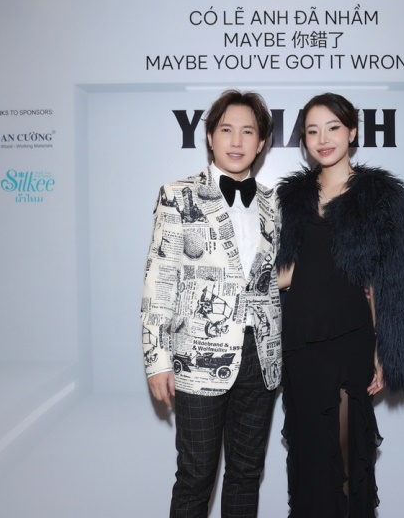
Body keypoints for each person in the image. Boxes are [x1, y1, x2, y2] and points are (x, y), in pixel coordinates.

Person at [276, 92, 404, 517]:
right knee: (309, 459)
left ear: (352, 131)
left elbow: (387, 281)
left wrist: (384, 349)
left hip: (350, 339)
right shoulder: (292, 197)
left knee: (343, 453)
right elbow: (286, 270)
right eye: (312, 131)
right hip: (300, 340)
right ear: (304, 139)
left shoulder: (379, 195)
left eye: (333, 128)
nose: (323, 139)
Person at [140, 89, 282, 518]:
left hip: (261, 356)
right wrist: (156, 360)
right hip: (196, 359)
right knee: (196, 477)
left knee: (246, 473)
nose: (236, 141)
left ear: (261, 142)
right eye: (226, 130)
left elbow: (274, 276)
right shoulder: (177, 195)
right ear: (209, 137)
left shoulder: (275, 203)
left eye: (248, 132)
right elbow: (159, 280)